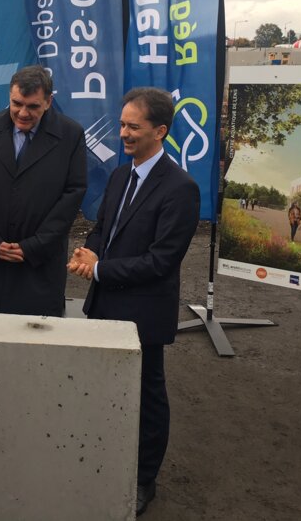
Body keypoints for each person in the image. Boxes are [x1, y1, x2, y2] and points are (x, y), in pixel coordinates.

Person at [67, 87, 200, 517]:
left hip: (143, 315)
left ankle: (144, 479)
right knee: (103, 389)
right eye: (122, 124)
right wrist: (89, 252)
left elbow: (162, 262)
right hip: (104, 306)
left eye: (133, 127)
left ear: (160, 131)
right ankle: (104, 459)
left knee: (146, 399)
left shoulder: (181, 189)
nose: (123, 133)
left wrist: (100, 268)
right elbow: (102, 229)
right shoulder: (120, 176)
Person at [0, 65, 87, 316]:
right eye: (17, 104)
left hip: (39, 264)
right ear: (9, 96)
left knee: (36, 334)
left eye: (32, 106)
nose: (22, 113)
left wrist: (34, 246)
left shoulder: (70, 134)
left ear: (48, 102)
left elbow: (73, 192)